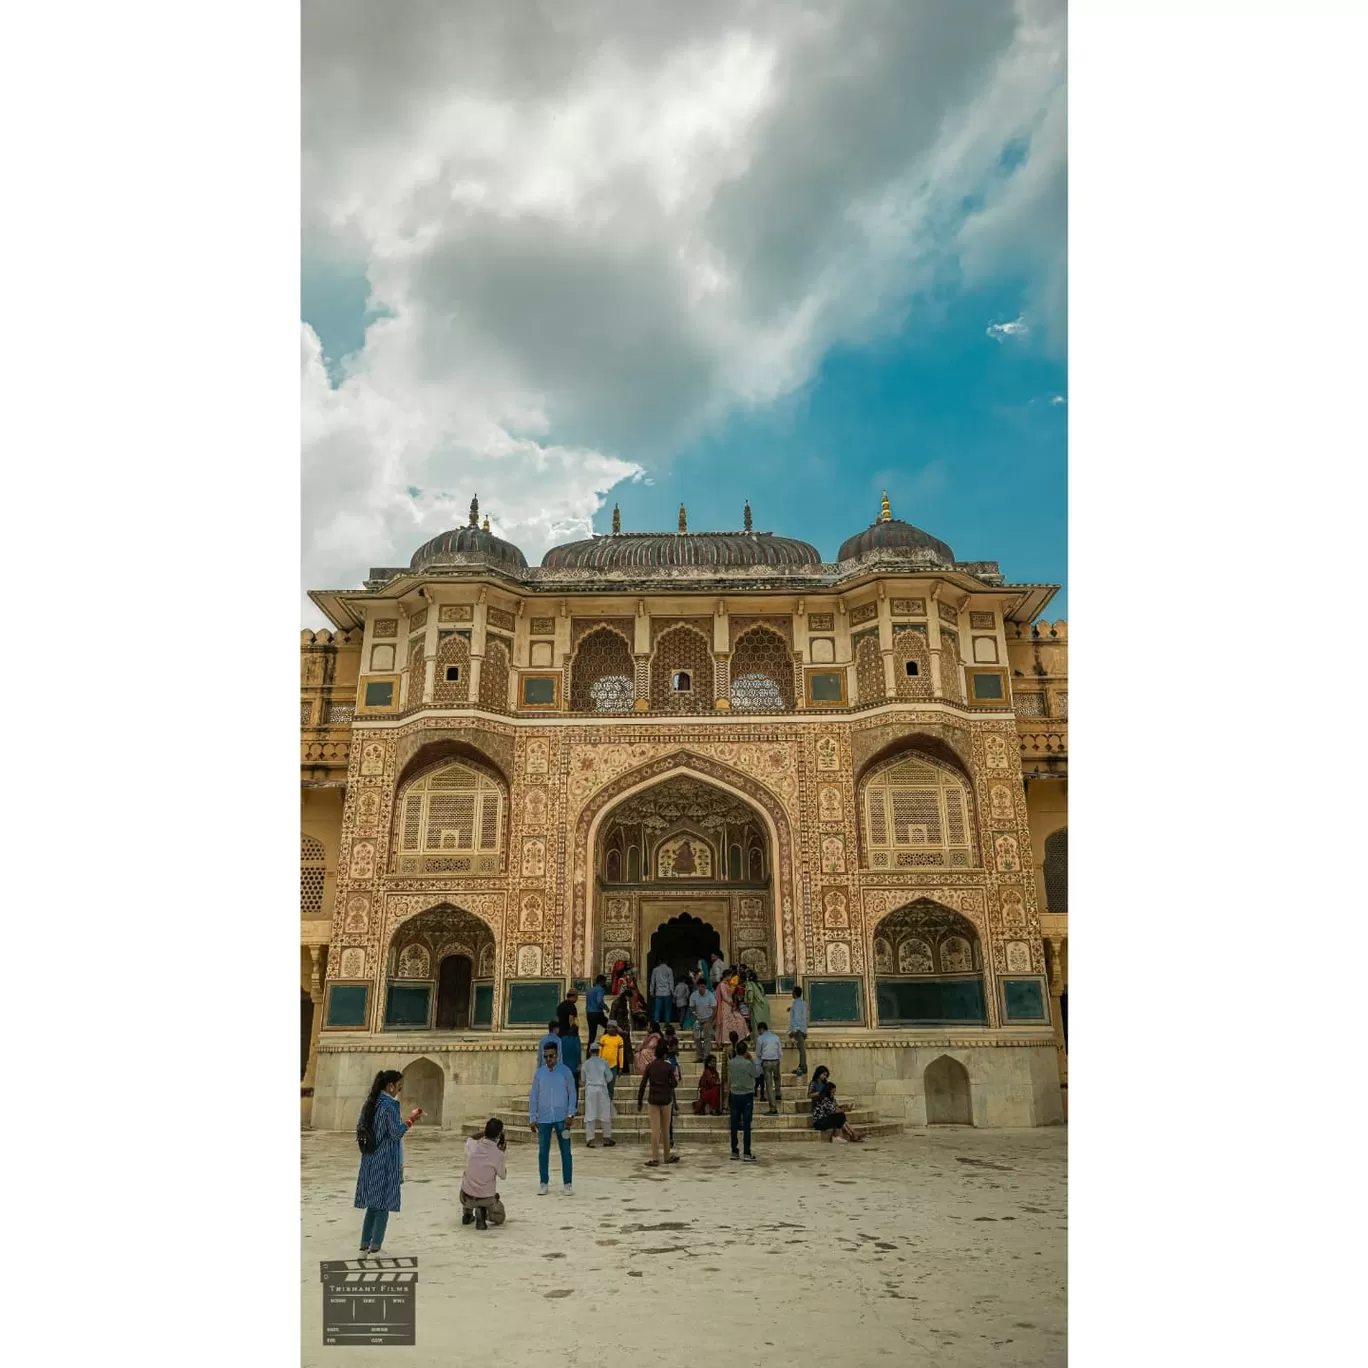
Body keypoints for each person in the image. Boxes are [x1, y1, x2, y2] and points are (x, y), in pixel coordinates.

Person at [354, 1070, 422, 1254]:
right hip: (385, 1160)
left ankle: (364, 1244)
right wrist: (411, 1120)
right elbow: (396, 1133)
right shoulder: (388, 1105)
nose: (400, 1088)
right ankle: (375, 1247)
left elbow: (360, 1128)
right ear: (390, 1086)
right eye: (399, 1085)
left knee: (373, 1204)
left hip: (370, 1158)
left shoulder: (371, 1103)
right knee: (382, 1204)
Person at [528, 1041, 577, 1195]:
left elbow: (573, 1093)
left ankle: (567, 1183)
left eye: (551, 1056)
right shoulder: (539, 1074)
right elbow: (534, 1095)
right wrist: (532, 1116)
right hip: (544, 1118)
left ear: (557, 1055)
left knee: (566, 1151)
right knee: (543, 1151)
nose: (549, 1059)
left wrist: (570, 1114)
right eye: (546, 1056)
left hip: (562, 1118)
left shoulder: (565, 1072)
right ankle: (544, 1182)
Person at [636, 1038, 680, 1167]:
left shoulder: (650, 1066)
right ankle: (667, 1156)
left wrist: (639, 1101)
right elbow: (674, 1083)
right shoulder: (668, 1066)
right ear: (665, 1054)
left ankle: (655, 1158)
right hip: (666, 1101)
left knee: (655, 1130)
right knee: (665, 1130)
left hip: (653, 1100)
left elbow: (643, 1084)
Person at [460, 1118, 507, 1230]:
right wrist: (503, 1155)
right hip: (485, 1198)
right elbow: (503, 1175)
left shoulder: (473, 1145)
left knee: (469, 1178)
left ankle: (467, 1212)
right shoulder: (498, 1154)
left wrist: (483, 1133)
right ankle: (483, 1213)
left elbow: (470, 1138)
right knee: (500, 1216)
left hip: (466, 1196)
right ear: (499, 1134)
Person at [726, 1040, 763, 1162]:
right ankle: (747, 1152)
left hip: (735, 1095)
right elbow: (756, 1074)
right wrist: (751, 1060)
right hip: (747, 1095)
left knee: (734, 1124)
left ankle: (734, 1150)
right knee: (746, 1124)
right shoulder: (748, 1064)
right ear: (746, 1051)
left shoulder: (731, 1063)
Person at [582, 1042, 617, 1148]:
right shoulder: (604, 1062)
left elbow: (583, 1079)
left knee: (590, 1114)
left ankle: (590, 1139)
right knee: (605, 1113)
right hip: (602, 1089)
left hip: (591, 1089)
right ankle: (606, 1138)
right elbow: (610, 1077)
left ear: (590, 1051)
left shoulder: (586, 1064)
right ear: (599, 1051)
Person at [811, 1079, 863, 1143]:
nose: (833, 1094)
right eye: (832, 1092)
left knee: (841, 1116)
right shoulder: (823, 1099)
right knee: (840, 1116)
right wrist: (844, 1109)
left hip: (826, 1119)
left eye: (834, 1092)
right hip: (819, 1123)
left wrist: (846, 1107)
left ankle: (853, 1134)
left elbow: (836, 1107)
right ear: (828, 1091)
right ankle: (849, 1134)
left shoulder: (831, 1099)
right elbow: (833, 1111)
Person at [755, 1021, 784, 1115]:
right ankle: (778, 1093)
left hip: (766, 1062)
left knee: (769, 1084)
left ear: (761, 1029)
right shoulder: (776, 1037)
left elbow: (758, 1053)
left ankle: (773, 1107)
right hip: (776, 1060)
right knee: (777, 1077)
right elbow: (780, 1051)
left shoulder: (760, 1038)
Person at [714, 970, 747, 1045]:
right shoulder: (722, 984)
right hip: (725, 1006)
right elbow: (725, 997)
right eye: (730, 976)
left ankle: (734, 1038)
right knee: (726, 1023)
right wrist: (731, 1003)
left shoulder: (728, 984)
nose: (731, 977)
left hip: (729, 1005)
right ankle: (725, 1040)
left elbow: (730, 994)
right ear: (727, 976)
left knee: (738, 1019)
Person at [688, 977, 716, 1062]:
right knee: (697, 1038)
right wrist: (694, 1016)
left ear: (705, 987)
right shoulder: (693, 995)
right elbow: (691, 1007)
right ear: (697, 986)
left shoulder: (710, 995)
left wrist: (710, 1022)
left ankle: (706, 1057)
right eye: (700, 986)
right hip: (698, 1019)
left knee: (707, 1038)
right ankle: (699, 1056)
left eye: (703, 986)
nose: (701, 988)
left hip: (708, 1018)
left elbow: (715, 1009)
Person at [599, 1020, 625, 1097]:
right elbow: (600, 1052)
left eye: (610, 1027)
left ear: (615, 1028)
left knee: (611, 1086)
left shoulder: (619, 1039)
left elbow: (621, 1054)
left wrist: (621, 1067)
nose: (608, 1029)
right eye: (607, 1027)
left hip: (613, 1067)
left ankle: (609, 1102)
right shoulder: (603, 1038)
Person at [743, 970, 769, 1046]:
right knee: (763, 1024)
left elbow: (750, 995)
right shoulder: (759, 984)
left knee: (756, 1024)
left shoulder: (750, 984)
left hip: (756, 1006)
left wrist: (748, 1003)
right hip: (764, 1005)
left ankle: (757, 1042)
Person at [788, 985, 809, 1078]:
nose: (792, 993)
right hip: (803, 1029)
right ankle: (801, 1066)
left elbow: (796, 1018)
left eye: (793, 992)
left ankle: (803, 1067)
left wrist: (794, 1030)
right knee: (801, 1049)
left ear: (795, 993)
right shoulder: (803, 1003)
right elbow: (803, 1016)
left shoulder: (796, 1004)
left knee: (801, 1049)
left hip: (798, 1030)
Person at [558, 1023, 583, 1093]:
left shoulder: (563, 1039)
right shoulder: (576, 1040)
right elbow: (578, 1053)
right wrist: (579, 1065)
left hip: (564, 1068)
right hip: (574, 1069)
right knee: (574, 1088)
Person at [649, 960, 675, 1024]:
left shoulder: (655, 970)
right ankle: (667, 1024)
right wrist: (672, 991)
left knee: (657, 1009)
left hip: (658, 992)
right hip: (667, 992)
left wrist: (651, 991)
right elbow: (671, 981)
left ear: (659, 962)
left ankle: (656, 1023)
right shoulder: (669, 970)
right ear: (667, 962)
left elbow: (653, 981)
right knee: (667, 1010)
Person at [586, 974, 609, 1046]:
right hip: (597, 1013)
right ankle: (603, 1042)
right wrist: (605, 1007)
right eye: (605, 982)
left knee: (592, 1036)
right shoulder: (600, 989)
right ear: (602, 982)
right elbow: (599, 1001)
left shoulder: (590, 990)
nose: (605, 983)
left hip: (589, 1014)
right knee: (610, 1026)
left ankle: (588, 1055)